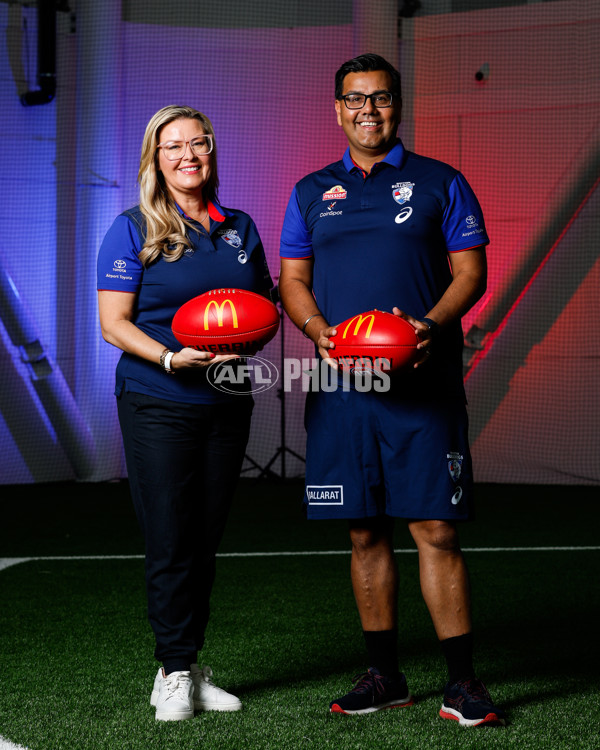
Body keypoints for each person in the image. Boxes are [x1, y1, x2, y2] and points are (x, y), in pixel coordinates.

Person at [279, 54, 505, 727]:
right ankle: (384, 675)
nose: (368, 111)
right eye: (355, 100)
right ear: (338, 108)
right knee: (362, 530)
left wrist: (430, 325)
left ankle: (461, 683)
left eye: (380, 99)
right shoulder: (310, 190)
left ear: (397, 107)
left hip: (423, 387)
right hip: (342, 388)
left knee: (434, 526)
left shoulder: (441, 181)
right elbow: (293, 280)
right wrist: (318, 330)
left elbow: (470, 272)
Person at [97, 105, 274, 721]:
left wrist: (250, 338)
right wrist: (173, 358)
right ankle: (172, 672)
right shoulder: (132, 228)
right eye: (172, 147)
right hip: (157, 400)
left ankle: (189, 664)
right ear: (155, 157)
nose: (187, 156)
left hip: (226, 402)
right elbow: (113, 325)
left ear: (212, 150)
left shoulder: (240, 228)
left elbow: (260, 313)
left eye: (197, 143)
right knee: (170, 536)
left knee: (204, 538)